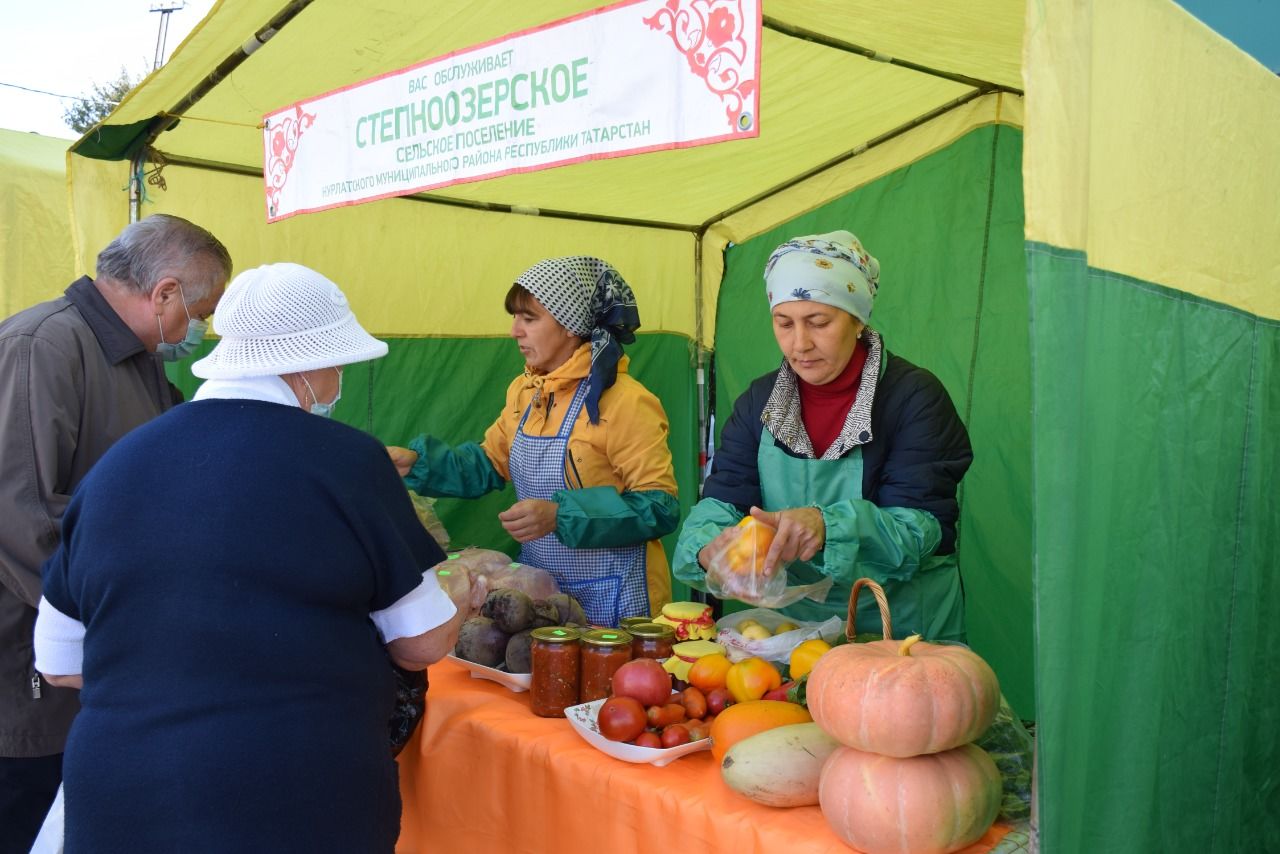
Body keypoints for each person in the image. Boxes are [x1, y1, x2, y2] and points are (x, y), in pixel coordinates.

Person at [32, 263, 474, 852]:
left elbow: (60, 663)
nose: (339, 378)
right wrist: (463, 594)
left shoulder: (116, 466)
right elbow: (417, 643)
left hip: (122, 801)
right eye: (338, 361)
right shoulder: (348, 461)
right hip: (298, 801)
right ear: (308, 362)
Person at [0, 214, 230, 853]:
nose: (198, 331)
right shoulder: (41, 345)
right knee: (23, 813)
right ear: (163, 294)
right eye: (199, 312)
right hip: (29, 663)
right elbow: (23, 517)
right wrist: (120, 621)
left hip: (91, 659)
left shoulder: (140, 364)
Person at [672, 230, 973, 641]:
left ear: (857, 318)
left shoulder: (913, 397)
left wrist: (826, 525)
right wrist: (710, 550)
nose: (800, 344)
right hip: (795, 634)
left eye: (819, 322)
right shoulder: (759, 401)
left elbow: (921, 530)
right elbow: (722, 501)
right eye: (784, 323)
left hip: (901, 635)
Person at [388, 257, 680, 627]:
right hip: (541, 598)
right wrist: (416, 462)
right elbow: (487, 463)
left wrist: (561, 515)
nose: (515, 331)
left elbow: (660, 507)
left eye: (529, 318)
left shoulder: (626, 401)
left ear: (571, 325)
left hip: (616, 600)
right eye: (514, 318)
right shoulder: (525, 392)